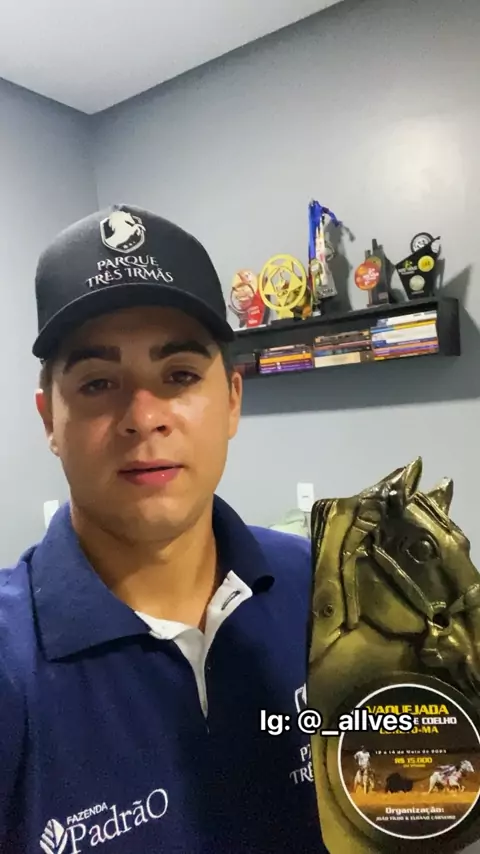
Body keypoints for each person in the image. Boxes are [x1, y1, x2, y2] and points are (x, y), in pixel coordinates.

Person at [0, 205, 326, 853]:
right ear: (49, 421)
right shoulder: (12, 670)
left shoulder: (327, 588)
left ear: (232, 400)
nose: (143, 417)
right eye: (98, 383)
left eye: (179, 375)